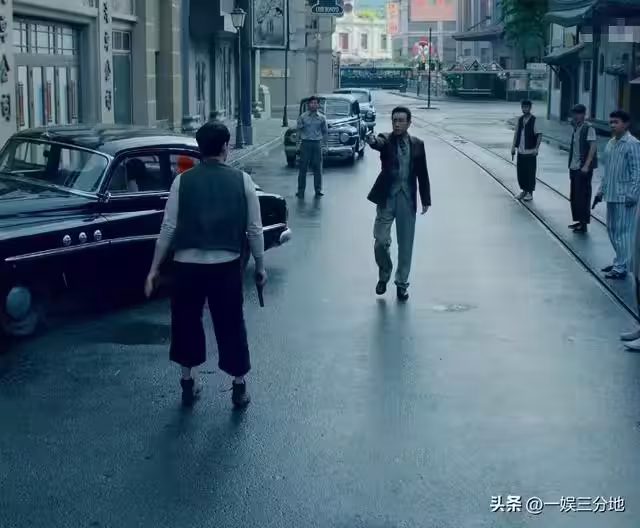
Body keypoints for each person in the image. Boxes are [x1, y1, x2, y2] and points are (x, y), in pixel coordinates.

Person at [144, 121, 267, 408]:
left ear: (199, 148)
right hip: (225, 265)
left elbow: (168, 228)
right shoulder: (242, 181)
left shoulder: (182, 181)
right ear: (225, 147)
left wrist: (154, 268)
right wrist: (260, 266)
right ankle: (238, 386)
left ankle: (188, 381)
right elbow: (254, 229)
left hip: (186, 266)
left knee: (186, 322)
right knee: (231, 324)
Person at [366, 106, 431, 301]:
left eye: (401, 120)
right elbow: (377, 143)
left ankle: (402, 284)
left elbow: (422, 173)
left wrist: (425, 199)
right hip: (387, 197)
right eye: (394, 120)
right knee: (380, 241)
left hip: (406, 198)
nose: (397, 124)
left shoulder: (417, 144)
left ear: (409, 123)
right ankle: (384, 273)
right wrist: (371, 140)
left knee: (406, 245)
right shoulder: (386, 139)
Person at [594, 110, 640, 280]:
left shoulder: (632, 144)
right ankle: (620, 261)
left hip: (625, 197)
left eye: (616, 122)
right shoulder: (611, 143)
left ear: (626, 124)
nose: (612, 125)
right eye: (611, 122)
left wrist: (633, 194)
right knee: (612, 230)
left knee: (624, 232)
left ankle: (622, 267)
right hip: (611, 194)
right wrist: (601, 191)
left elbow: (637, 171)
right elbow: (607, 171)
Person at [567, 103, 598, 233]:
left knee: (583, 196)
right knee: (575, 196)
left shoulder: (588, 128)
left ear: (584, 114)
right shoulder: (576, 127)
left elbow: (593, 147)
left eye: (579, 114)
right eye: (574, 113)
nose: (576, 116)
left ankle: (583, 223)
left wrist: (586, 165)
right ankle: (579, 221)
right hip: (574, 167)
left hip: (583, 168)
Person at [296, 95, 328, 199]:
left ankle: (318, 190)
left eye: (315, 103)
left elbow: (325, 132)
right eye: (312, 103)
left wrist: (325, 145)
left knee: (317, 168)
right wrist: (297, 144)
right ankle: (300, 190)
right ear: (308, 105)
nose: (313, 105)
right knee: (303, 168)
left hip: (317, 144)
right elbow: (299, 131)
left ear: (318, 105)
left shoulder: (322, 118)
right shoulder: (303, 117)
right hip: (305, 143)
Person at [511, 100, 542, 201]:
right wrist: (513, 147)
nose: (524, 109)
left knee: (530, 173)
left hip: (530, 152)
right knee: (521, 173)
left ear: (530, 108)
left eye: (526, 107)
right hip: (521, 151)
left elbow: (539, 135)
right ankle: (524, 191)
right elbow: (516, 134)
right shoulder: (520, 120)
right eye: (523, 107)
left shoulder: (534, 120)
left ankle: (530, 192)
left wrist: (536, 148)